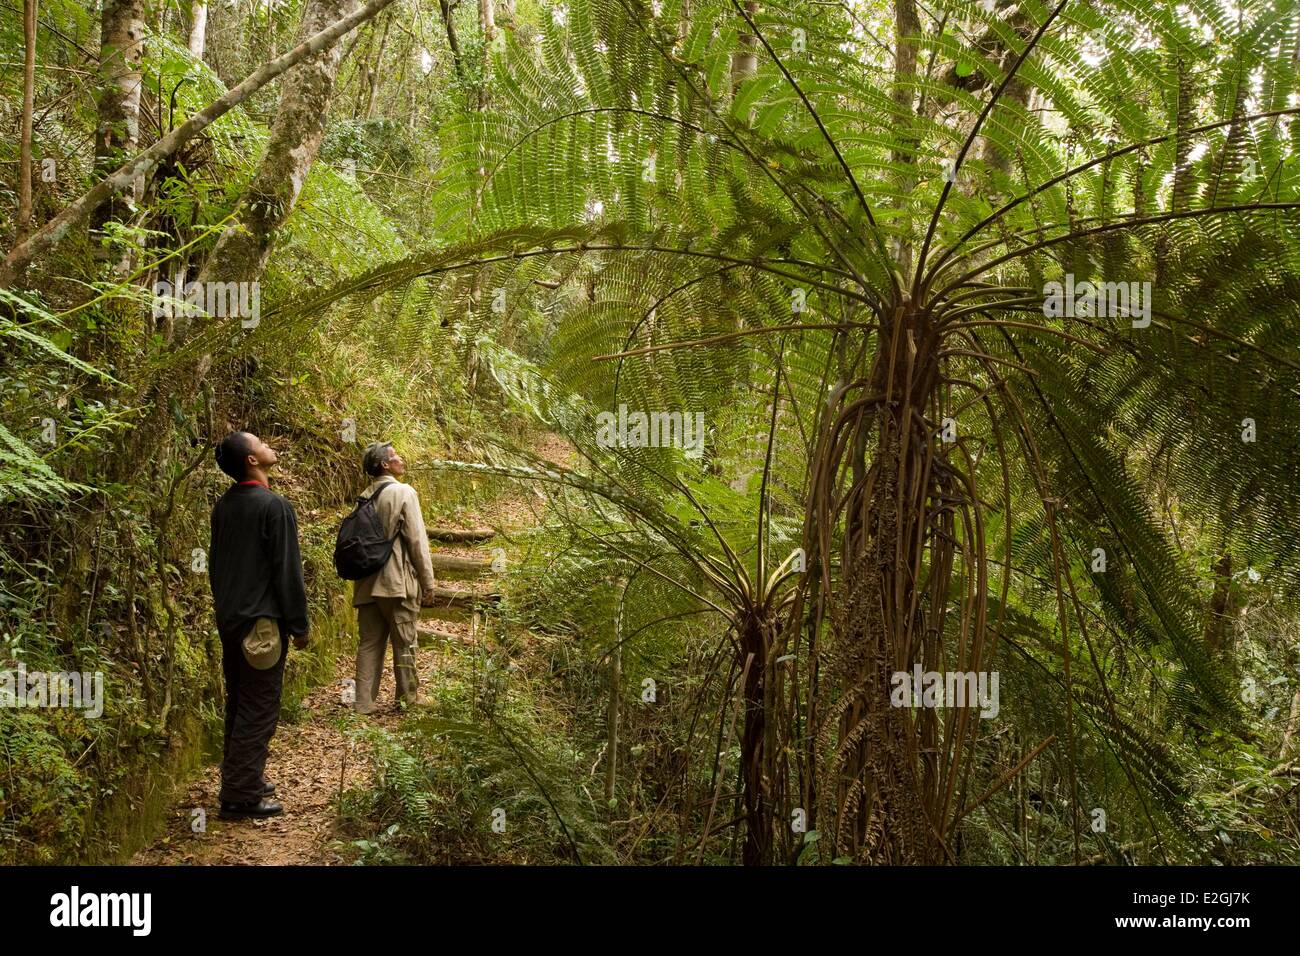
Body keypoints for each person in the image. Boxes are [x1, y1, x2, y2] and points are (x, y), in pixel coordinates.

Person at [209, 431, 310, 819]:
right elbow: (287, 572)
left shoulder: (224, 506)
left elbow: (217, 568)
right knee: (260, 707)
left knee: (239, 702)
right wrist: (298, 625)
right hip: (262, 625)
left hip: (232, 620)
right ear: (251, 460)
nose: (269, 445)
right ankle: (240, 796)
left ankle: (242, 777)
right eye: (259, 443)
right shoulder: (274, 507)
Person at [352, 442, 436, 714]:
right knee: (405, 640)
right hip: (397, 582)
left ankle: (363, 703)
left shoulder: (364, 496)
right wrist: (428, 584)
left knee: (369, 644)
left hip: (366, 584)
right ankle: (407, 699)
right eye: (394, 456)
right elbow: (416, 541)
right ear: (385, 465)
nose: (400, 458)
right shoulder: (403, 492)